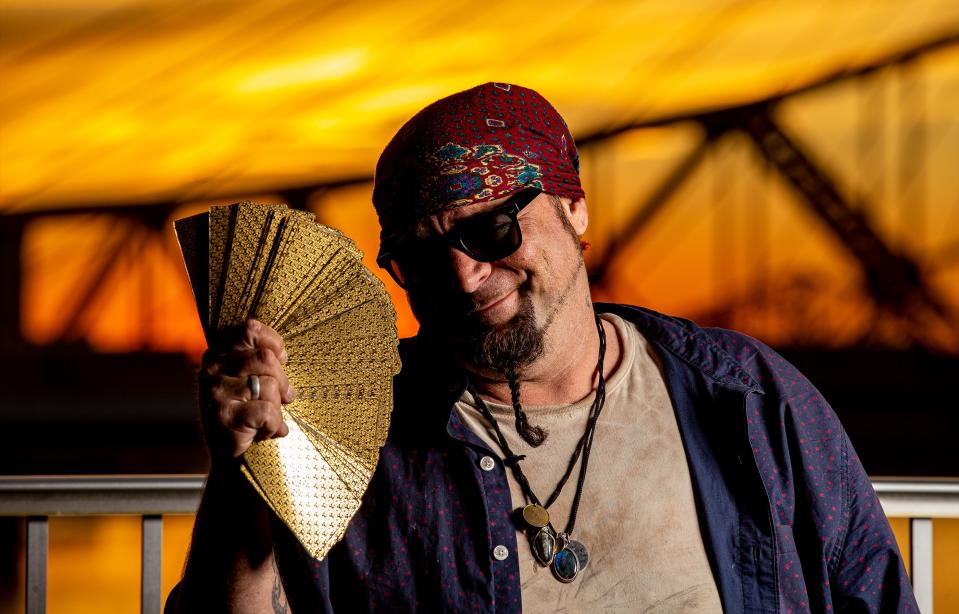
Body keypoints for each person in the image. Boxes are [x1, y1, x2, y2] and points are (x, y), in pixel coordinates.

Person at [168, 83, 917, 613]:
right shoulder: (345, 439)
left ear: (575, 207)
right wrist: (241, 470)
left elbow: (870, 594)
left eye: (490, 228)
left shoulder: (750, 398)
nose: (464, 275)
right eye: (422, 258)